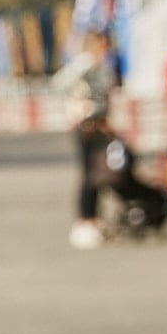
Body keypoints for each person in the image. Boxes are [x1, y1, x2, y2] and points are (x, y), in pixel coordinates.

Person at [57, 30, 118, 248]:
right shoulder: (84, 64)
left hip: (101, 124)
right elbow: (61, 83)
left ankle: (95, 218)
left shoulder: (104, 66)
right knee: (88, 173)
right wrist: (79, 102)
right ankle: (85, 219)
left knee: (99, 174)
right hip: (87, 124)